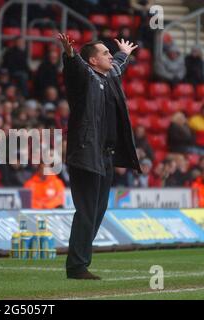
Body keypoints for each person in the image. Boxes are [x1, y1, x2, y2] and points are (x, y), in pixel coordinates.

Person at [58, 33, 141, 280]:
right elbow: (74, 71)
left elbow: (118, 64)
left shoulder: (110, 77)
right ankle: (77, 266)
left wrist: (124, 53)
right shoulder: (85, 79)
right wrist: (70, 55)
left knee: (97, 211)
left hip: (106, 156)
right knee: (86, 211)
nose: (109, 56)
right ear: (93, 61)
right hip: (86, 153)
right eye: (104, 53)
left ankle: (79, 260)